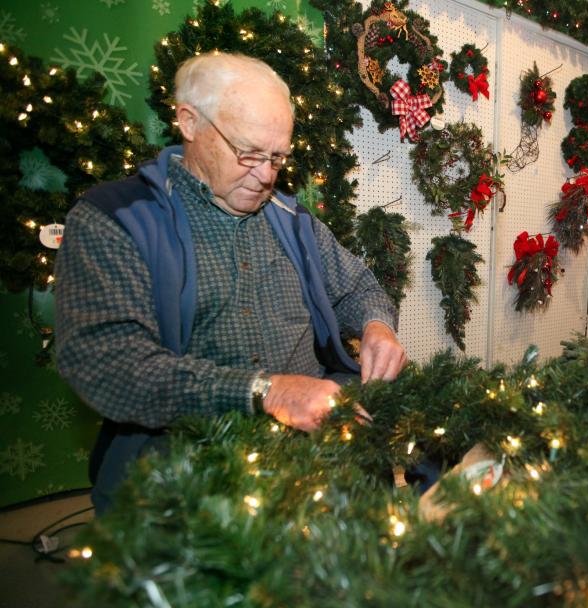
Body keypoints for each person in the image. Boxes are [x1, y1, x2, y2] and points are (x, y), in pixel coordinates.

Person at [55, 53, 407, 513]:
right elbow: (110, 367)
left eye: (277, 157)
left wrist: (377, 324)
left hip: (310, 460)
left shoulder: (293, 221)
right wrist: (264, 391)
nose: (265, 176)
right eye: (248, 153)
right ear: (189, 121)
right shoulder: (114, 220)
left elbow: (359, 288)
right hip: (185, 468)